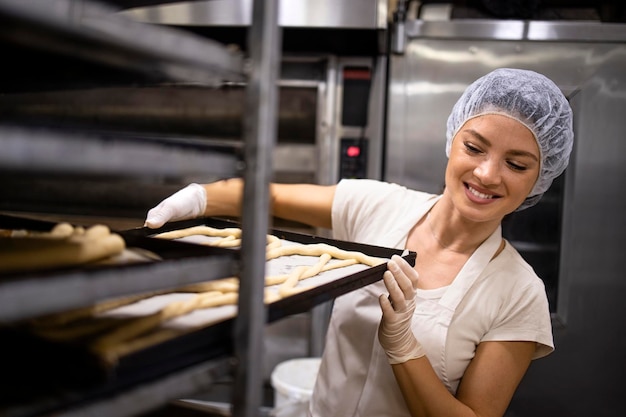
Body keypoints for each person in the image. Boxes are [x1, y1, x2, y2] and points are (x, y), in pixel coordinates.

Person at [144, 68, 574, 417]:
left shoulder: (519, 293)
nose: (486, 174)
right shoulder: (378, 206)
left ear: (540, 178)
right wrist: (200, 197)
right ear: (452, 142)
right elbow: (270, 196)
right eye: (475, 147)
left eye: (516, 164)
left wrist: (405, 348)